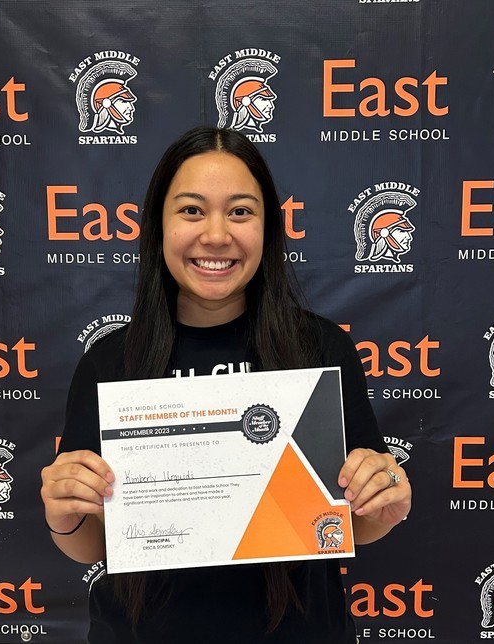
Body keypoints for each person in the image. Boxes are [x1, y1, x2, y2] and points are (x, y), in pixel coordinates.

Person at [40, 126, 412, 643]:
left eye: (240, 211)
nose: (216, 235)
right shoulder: (109, 362)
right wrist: (64, 514)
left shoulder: (320, 349)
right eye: (192, 210)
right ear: (159, 226)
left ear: (268, 228)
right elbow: (92, 545)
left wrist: (385, 505)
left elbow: (358, 521)